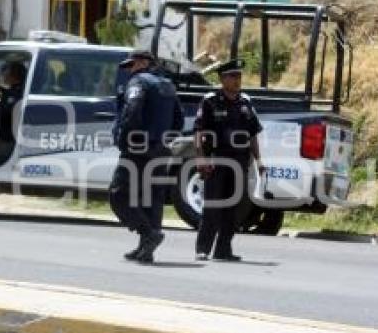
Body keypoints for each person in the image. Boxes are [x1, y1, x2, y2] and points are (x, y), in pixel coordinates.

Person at [110, 49, 184, 264]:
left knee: (119, 194)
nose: (130, 70)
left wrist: (125, 139)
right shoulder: (167, 85)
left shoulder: (139, 82)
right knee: (152, 198)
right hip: (160, 149)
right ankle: (146, 249)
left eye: (131, 65)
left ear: (143, 63)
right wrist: (164, 140)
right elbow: (178, 120)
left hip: (137, 149)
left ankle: (149, 234)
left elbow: (132, 110)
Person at [193, 60, 263, 262]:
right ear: (222, 79)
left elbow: (253, 134)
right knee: (213, 206)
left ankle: (223, 249)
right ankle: (203, 249)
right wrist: (200, 158)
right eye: (232, 76)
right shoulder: (210, 101)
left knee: (234, 208)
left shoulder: (245, 102)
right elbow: (198, 131)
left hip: (239, 162)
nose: (237, 80)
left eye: (239, 76)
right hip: (216, 160)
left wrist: (259, 161)